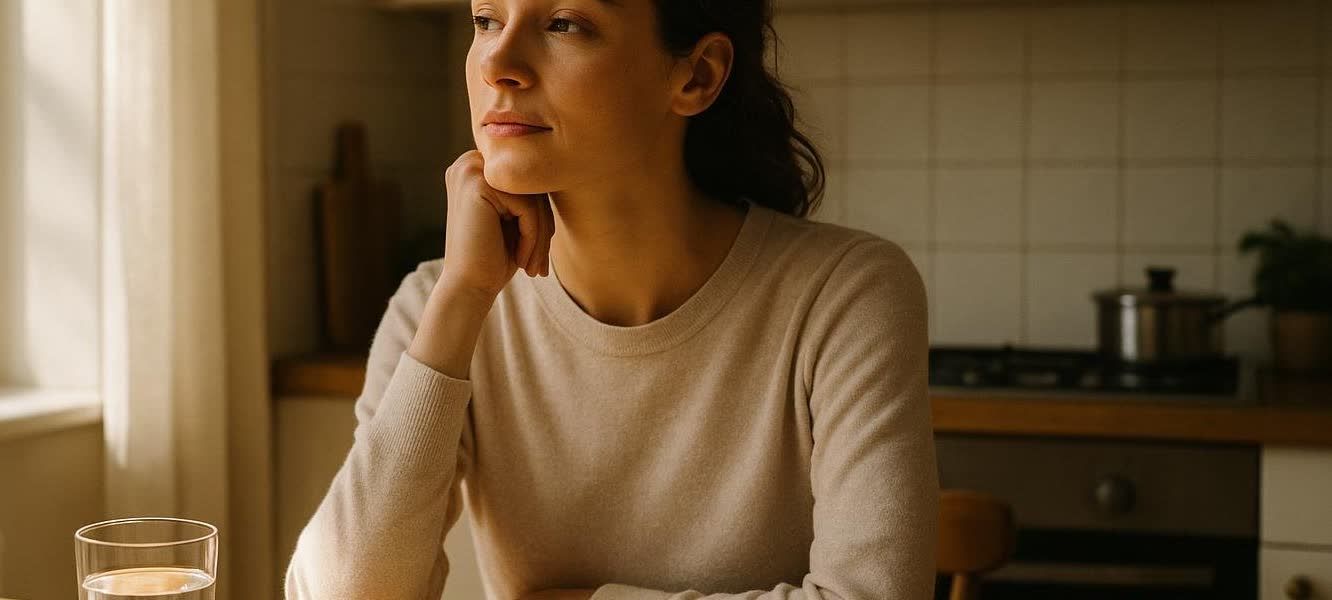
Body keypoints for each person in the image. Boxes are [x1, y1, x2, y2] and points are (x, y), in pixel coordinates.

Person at [284, 0, 938, 598]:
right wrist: (462, 298)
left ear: (697, 77)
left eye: (564, 23)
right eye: (486, 20)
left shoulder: (846, 292)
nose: (498, 65)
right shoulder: (439, 302)